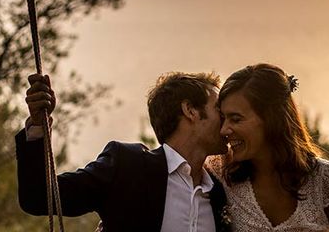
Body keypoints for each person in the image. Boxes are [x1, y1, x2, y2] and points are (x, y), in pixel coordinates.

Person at [15, 71, 230, 231]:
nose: (227, 121)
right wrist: (37, 125)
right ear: (190, 110)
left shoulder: (220, 193)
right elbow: (40, 197)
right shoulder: (128, 166)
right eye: (219, 110)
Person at [208, 64, 329, 232]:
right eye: (223, 118)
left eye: (236, 119)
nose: (224, 129)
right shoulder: (220, 172)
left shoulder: (326, 179)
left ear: (271, 119)